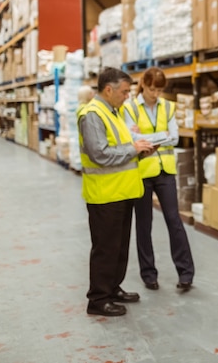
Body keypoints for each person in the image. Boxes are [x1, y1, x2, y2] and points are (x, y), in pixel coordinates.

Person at [78, 67, 156, 317]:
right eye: (124, 92)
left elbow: (121, 149)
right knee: (106, 248)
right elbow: (99, 154)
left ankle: (112, 288)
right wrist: (133, 149)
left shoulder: (114, 112)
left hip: (121, 191)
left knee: (120, 246)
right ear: (108, 89)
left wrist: (140, 151)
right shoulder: (92, 114)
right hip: (104, 195)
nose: (127, 97)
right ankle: (98, 299)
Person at [122, 67, 195, 292]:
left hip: (166, 171)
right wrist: (160, 136)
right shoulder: (131, 107)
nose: (155, 94)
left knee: (174, 220)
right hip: (142, 172)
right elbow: (131, 138)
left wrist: (148, 138)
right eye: (152, 89)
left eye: (160, 90)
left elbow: (174, 138)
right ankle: (149, 274)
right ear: (143, 85)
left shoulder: (168, 107)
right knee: (144, 225)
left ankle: (186, 274)